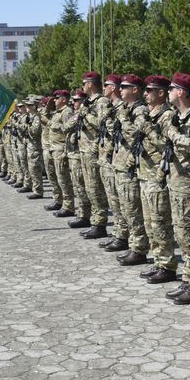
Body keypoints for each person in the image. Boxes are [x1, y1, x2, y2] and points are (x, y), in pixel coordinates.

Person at [160, 72, 190, 305]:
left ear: (181, 92)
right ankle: (189, 279)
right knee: (181, 234)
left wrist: (173, 135)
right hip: (176, 182)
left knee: (189, 236)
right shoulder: (179, 118)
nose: (168, 93)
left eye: (171, 89)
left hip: (188, 184)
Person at [135, 75, 179, 283]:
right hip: (145, 174)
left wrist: (146, 128)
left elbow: (165, 143)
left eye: (149, 90)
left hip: (158, 175)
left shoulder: (167, 116)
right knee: (150, 222)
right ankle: (158, 261)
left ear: (161, 93)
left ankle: (167, 265)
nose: (145, 94)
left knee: (160, 222)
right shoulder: (150, 115)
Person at [112, 74, 150, 265]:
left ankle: (139, 248)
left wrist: (122, 119)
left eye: (124, 87)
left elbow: (135, 134)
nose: (120, 90)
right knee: (126, 209)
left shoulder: (139, 110)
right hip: (122, 163)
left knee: (133, 210)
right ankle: (133, 245)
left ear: (135, 90)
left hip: (132, 167)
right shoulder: (126, 109)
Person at [76, 71, 112, 239]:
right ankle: (94, 221)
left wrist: (86, 115)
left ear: (90, 84)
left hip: (94, 149)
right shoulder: (88, 102)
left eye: (84, 83)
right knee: (89, 188)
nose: (83, 86)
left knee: (95, 188)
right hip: (84, 149)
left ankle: (100, 223)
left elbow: (102, 124)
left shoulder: (102, 102)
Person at [98, 74, 129, 251]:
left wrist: (105, 117)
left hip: (119, 161)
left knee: (120, 202)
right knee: (114, 201)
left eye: (106, 85)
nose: (104, 89)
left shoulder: (121, 108)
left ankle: (123, 236)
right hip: (111, 159)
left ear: (113, 88)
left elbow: (118, 131)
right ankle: (119, 233)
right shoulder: (113, 107)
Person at [67, 89, 92, 229]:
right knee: (78, 186)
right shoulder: (76, 115)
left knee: (84, 187)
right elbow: (66, 127)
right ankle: (83, 214)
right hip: (76, 153)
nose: (74, 103)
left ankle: (85, 215)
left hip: (80, 153)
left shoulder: (83, 114)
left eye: (76, 100)